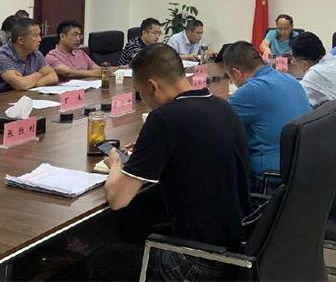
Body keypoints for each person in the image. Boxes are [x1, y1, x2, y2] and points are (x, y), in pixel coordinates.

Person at [87, 44, 251, 282]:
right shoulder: (222, 106)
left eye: (140, 93)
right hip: (235, 248)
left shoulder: (164, 118)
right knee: (140, 223)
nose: (143, 100)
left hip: (197, 262)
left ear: (152, 86)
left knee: (100, 260)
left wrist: (115, 163)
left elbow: (117, 199)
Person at [225, 40, 310, 192]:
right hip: (304, 171)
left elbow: (216, 124)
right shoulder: (289, 78)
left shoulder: (251, 91)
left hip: (272, 182)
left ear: (236, 73)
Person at [0, 18, 58, 95]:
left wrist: (30, 83)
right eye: (36, 35)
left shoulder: (35, 53)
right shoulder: (1, 57)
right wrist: (38, 74)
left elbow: (53, 76)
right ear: (21, 40)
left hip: (21, 97)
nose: (40, 39)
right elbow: (21, 84)